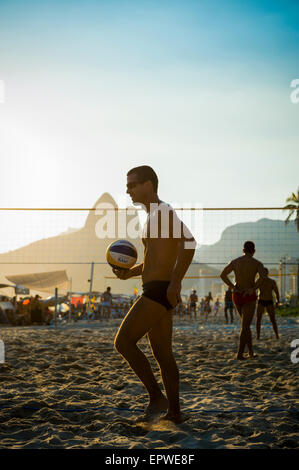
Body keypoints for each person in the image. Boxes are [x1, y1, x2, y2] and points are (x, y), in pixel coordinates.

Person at [113, 165, 195, 423]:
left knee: (123, 342)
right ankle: (175, 413)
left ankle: (156, 397)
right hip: (156, 288)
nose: (128, 190)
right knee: (163, 354)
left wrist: (176, 283)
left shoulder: (163, 211)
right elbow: (153, 260)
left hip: (159, 290)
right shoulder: (152, 216)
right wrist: (130, 273)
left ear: (148, 184)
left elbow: (189, 243)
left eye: (132, 184)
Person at [220, 241, 267, 360]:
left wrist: (232, 287)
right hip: (248, 295)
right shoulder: (257, 263)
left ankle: (250, 352)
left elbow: (222, 275)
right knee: (245, 326)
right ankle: (240, 354)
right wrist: (253, 289)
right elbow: (263, 277)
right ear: (254, 251)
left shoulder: (235, 262)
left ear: (243, 250)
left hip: (237, 294)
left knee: (245, 325)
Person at [256, 268, 280, 340]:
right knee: (258, 319)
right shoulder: (259, 281)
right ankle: (258, 336)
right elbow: (252, 289)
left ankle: (277, 335)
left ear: (267, 273)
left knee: (272, 319)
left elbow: (276, 292)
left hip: (269, 301)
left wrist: (277, 301)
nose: (263, 274)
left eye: (265, 273)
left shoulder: (272, 281)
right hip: (261, 300)